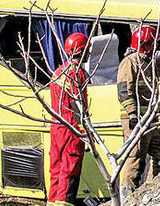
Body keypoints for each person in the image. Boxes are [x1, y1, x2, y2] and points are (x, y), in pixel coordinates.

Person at [118, 26, 160, 194]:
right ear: (146, 44)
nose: (157, 46)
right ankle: (127, 197)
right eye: (154, 42)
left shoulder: (148, 62)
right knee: (135, 159)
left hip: (150, 120)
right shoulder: (129, 62)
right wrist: (132, 114)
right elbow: (124, 91)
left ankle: (152, 192)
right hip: (137, 120)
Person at [48, 33, 89, 206]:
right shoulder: (77, 74)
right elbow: (77, 104)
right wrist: (84, 130)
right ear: (82, 50)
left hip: (57, 125)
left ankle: (52, 202)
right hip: (71, 126)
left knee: (56, 169)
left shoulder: (58, 71)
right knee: (69, 169)